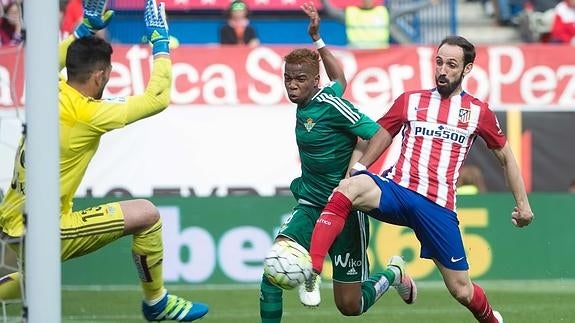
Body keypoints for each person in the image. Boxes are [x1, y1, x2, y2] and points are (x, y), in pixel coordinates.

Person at [0, 0, 209, 321]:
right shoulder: (90, 113)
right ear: (99, 76)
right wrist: (161, 41)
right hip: (46, 226)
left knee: (34, 277)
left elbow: (49, 60)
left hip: (12, 215)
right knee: (147, 215)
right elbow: (157, 99)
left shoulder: (49, 89)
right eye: (109, 75)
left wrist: (85, 28)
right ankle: (157, 303)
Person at [309, 35, 534, 323]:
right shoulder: (411, 101)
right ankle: (312, 269)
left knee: (462, 291)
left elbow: (506, 156)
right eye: (439, 62)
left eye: (451, 64)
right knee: (348, 188)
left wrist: (523, 205)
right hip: (398, 191)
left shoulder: (478, 112)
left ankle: (492, 320)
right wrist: (359, 167)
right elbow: (379, 134)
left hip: (437, 208)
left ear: (467, 69)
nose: (442, 70)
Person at [259, 3, 416, 322]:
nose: (292, 85)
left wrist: (356, 171)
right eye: (287, 78)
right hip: (310, 204)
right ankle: (309, 272)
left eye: (299, 79)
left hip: (344, 211)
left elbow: (378, 134)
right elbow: (340, 76)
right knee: (273, 270)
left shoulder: (331, 104)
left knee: (350, 306)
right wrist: (317, 39)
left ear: (314, 81)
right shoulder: (310, 100)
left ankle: (394, 273)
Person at [320, 0, 437, 48]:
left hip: (380, 56)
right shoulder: (351, 13)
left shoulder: (384, 12)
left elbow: (407, 9)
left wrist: (428, 3)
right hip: (357, 55)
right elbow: (332, 12)